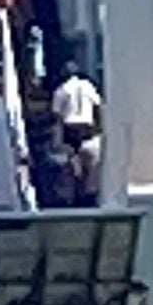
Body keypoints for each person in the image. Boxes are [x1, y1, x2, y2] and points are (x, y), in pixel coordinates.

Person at [45, 55, 104, 207]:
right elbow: (98, 106)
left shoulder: (61, 89)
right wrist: (100, 128)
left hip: (70, 128)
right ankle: (89, 193)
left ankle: (75, 194)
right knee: (91, 162)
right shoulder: (88, 86)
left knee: (71, 163)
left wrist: (56, 140)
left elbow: (57, 116)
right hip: (87, 128)